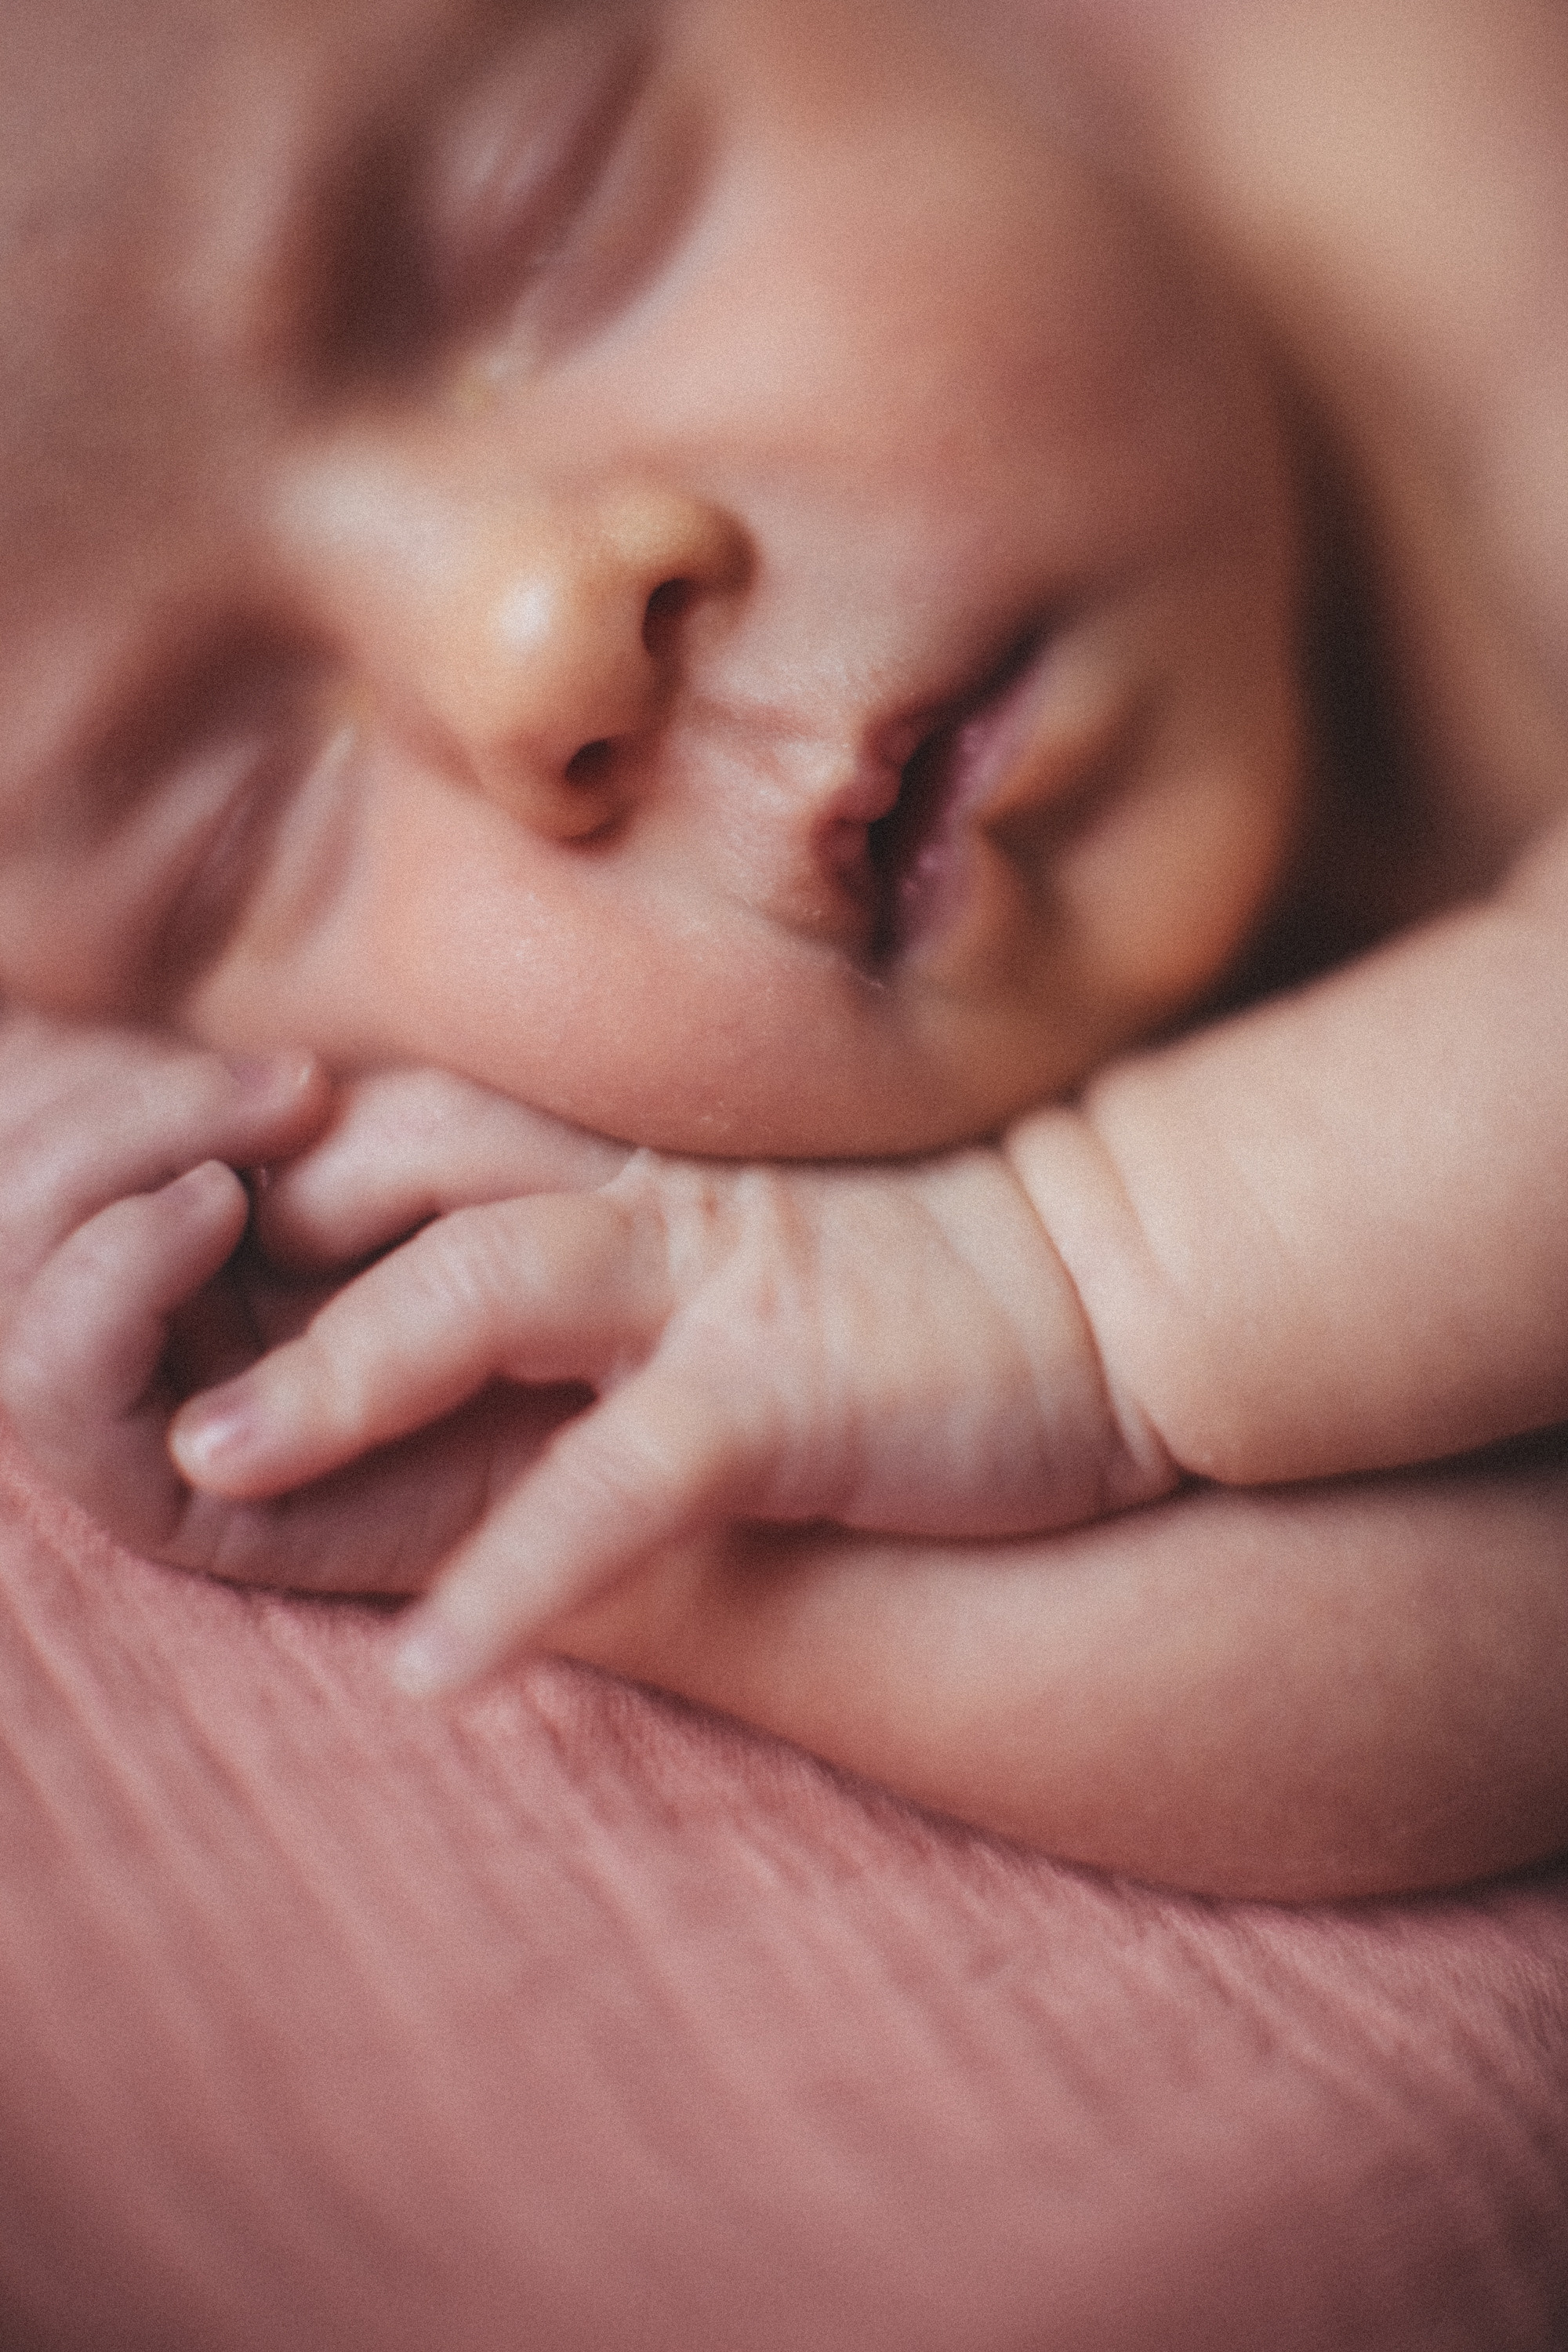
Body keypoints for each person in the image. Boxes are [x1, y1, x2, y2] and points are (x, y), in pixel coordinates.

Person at [1, 0, 1565, 1898]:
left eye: (544, 226)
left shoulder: (1430, 134)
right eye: (231, 826)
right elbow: (1480, 1710)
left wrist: (1073, 1274)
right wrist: (604, 1505)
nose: (538, 631)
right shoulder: (879, 1231)